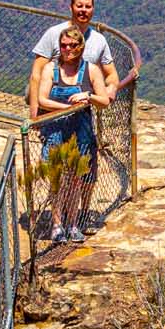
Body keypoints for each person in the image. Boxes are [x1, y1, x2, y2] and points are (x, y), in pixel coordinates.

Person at [30, 0, 119, 229]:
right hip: (57, 117)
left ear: (93, 9)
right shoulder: (54, 34)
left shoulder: (98, 41)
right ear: (71, 7)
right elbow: (37, 73)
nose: (83, 11)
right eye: (79, 6)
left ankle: (78, 218)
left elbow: (112, 76)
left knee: (84, 173)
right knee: (59, 172)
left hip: (83, 116)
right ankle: (61, 222)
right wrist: (35, 115)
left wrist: (107, 93)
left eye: (88, 6)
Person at [33, 25, 106, 242]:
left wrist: (88, 96)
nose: (67, 49)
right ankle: (57, 224)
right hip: (56, 129)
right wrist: (66, 107)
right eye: (64, 45)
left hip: (80, 131)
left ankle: (72, 223)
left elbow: (104, 101)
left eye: (72, 45)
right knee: (57, 178)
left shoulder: (91, 70)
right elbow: (42, 99)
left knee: (75, 179)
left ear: (80, 46)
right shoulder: (50, 69)